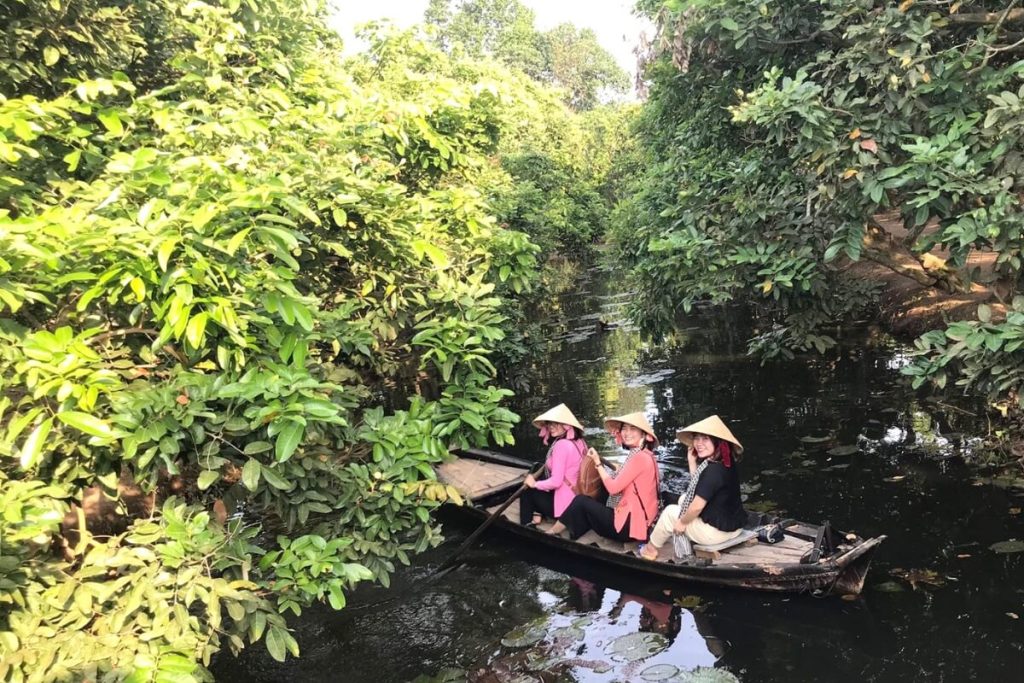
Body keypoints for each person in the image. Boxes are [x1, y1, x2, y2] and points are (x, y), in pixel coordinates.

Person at [640, 415, 747, 560]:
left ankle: (650, 549)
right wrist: (692, 462)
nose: (699, 443)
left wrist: (682, 523)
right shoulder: (726, 461)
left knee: (670, 513)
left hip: (716, 534)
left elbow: (697, 507)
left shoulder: (712, 471)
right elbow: (701, 486)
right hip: (735, 527)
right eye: (697, 438)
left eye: (705, 439)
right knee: (684, 499)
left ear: (717, 442)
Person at [548, 412, 660, 543]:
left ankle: (551, 532)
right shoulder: (646, 454)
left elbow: (613, 489)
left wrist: (597, 462)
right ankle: (578, 525)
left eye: (633, 429)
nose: (627, 433)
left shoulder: (639, 457)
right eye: (624, 428)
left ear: (643, 434)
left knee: (581, 500)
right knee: (600, 491)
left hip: (630, 528)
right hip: (643, 521)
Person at [519, 403, 587, 528]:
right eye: (549, 423)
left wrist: (534, 484)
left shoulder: (562, 445)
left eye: (556, 423)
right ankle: (537, 513)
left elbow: (556, 482)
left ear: (566, 425)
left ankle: (526, 526)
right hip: (576, 498)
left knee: (527, 492)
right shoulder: (579, 440)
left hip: (566, 507)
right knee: (538, 468)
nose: (551, 427)